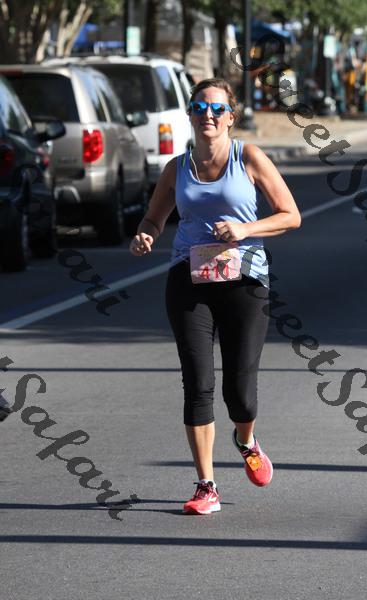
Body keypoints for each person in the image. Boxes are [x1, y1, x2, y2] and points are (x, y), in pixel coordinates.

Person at [130, 78, 301, 515]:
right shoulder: (176, 168)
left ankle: (246, 439)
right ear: (189, 114)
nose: (208, 115)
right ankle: (206, 485)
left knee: (239, 391)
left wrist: (245, 229)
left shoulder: (250, 158)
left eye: (217, 109)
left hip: (245, 279)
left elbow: (290, 216)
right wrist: (145, 235)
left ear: (231, 117)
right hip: (189, 279)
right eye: (199, 107)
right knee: (197, 383)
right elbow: (153, 218)